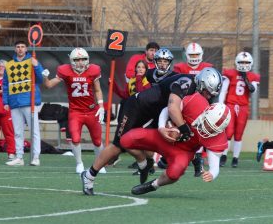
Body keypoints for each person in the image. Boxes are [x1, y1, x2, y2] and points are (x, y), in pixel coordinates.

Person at [80, 67, 223, 195]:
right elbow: (173, 108)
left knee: (157, 144)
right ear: (201, 83)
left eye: (212, 95)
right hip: (138, 107)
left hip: (157, 112)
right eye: (207, 92)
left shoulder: (198, 93)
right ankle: (89, 175)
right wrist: (184, 129)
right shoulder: (187, 82)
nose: (208, 97)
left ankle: (147, 163)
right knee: (118, 146)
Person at [42, 48, 106, 174]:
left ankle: (99, 164)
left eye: (83, 59)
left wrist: (101, 106)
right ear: (72, 61)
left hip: (91, 110)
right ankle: (79, 163)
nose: (80, 62)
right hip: (75, 111)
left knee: (97, 140)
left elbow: (98, 90)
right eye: (77, 59)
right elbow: (48, 85)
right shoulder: (65, 70)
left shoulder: (94, 70)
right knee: (75, 139)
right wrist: (44, 77)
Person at [172, 42, 213, 176]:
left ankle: (198, 156)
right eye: (192, 55)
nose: (194, 57)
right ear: (187, 56)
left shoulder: (207, 67)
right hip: (183, 102)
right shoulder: (180, 67)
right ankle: (178, 154)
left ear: (201, 55)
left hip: (200, 103)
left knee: (199, 130)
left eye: (196, 54)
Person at [3, 41, 44, 166]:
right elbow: (5, 85)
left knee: (34, 131)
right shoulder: (9, 65)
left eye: (22, 47)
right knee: (17, 132)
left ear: (26, 49)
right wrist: (5, 101)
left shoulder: (32, 61)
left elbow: (41, 79)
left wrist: (36, 66)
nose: (20, 49)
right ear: (15, 49)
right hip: (14, 103)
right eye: (18, 47)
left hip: (29, 102)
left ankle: (36, 157)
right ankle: (19, 157)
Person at [219, 51, 260, 168]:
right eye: (241, 62)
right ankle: (224, 155)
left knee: (238, 134)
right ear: (237, 62)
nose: (244, 64)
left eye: (246, 62)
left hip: (243, 107)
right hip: (230, 105)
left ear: (251, 63)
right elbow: (223, 90)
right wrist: (221, 105)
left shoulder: (252, 76)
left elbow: (253, 90)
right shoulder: (230, 74)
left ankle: (235, 158)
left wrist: (245, 78)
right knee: (228, 131)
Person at [0, 59, 15, 162]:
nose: (1, 68)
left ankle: (11, 153)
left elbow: (13, 94)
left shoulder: (11, 80)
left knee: (9, 133)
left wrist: (2, 92)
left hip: (5, 111)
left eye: (3, 66)